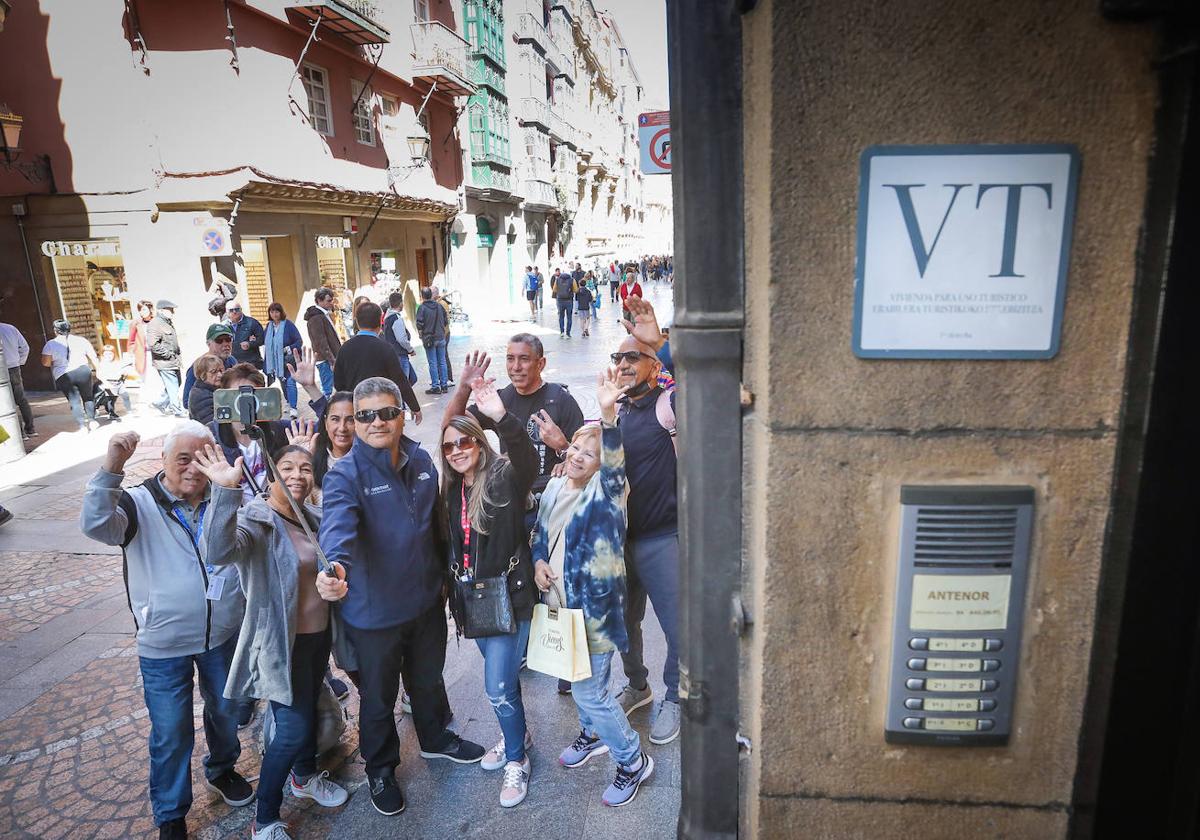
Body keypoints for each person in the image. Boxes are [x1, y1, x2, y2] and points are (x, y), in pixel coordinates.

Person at [317, 377, 485, 817]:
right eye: (366, 414)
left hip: (426, 602)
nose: (377, 422)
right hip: (375, 614)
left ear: (401, 415)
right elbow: (338, 531)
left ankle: (435, 739)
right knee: (378, 697)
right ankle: (381, 768)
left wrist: (448, 577)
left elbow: (437, 524)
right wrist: (335, 569)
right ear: (354, 421)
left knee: (428, 680)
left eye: (387, 412)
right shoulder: (344, 476)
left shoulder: (422, 459)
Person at [80, 426, 254, 840]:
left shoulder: (224, 495)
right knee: (172, 730)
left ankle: (222, 768)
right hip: (163, 644)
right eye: (183, 458)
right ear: (164, 461)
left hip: (222, 635)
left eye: (203, 457)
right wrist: (111, 468)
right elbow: (95, 525)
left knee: (228, 713)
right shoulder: (137, 503)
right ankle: (171, 813)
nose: (194, 467)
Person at [196, 442, 349, 840]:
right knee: (294, 729)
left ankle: (304, 777)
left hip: (317, 643)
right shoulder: (256, 519)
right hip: (281, 646)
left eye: (304, 468)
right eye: (287, 467)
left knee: (308, 716)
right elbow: (218, 549)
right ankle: (264, 817)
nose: (297, 476)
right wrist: (225, 492)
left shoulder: (312, 516)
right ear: (269, 472)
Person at [533, 371, 655, 806]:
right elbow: (538, 534)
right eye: (577, 451)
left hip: (596, 612)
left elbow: (614, 460)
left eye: (592, 452)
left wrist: (606, 416)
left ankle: (631, 760)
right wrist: (538, 562)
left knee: (591, 692)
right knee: (580, 683)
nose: (583, 457)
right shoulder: (553, 487)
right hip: (559, 607)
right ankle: (590, 733)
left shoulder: (609, 492)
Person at [441, 379, 540, 808]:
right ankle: (519, 733)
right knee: (504, 683)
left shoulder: (503, 476)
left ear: (481, 444)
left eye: (465, 442)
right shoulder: (450, 489)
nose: (458, 449)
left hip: (508, 595)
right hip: (473, 600)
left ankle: (517, 759)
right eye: (449, 446)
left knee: (497, 687)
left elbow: (528, 459)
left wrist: (502, 417)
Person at [611, 296, 682, 745]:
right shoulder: (617, 408)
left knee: (678, 626)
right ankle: (638, 686)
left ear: (656, 366)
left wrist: (659, 341)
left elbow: (704, 384)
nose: (621, 363)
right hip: (621, 541)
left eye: (632, 356)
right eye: (616, 357)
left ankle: (676, 696)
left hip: (664, 538)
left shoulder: (670, 402)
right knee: (624, 624)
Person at [443, 337, 584, 509]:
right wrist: (464, 388)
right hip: (515, 500)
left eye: (524, 359)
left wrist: (564, 448)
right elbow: (451, 426)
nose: (516, 367)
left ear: (540, 364)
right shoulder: (499, 401)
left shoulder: (561, 400)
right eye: (510, 359)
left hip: (555, 501)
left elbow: (590, 457)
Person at [333, 301, 423, 420]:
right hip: (381, 411)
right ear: (381, 321)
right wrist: (414, 407)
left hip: (356, 408)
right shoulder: (385, 348)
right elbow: (400, 380)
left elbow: (338, 383)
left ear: (357, 321)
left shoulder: (345, 348)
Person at [41, 318, 99, 431]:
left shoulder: (50, 344)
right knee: (88, 396)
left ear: (55, 330)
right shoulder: (81, 340)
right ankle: (92, 421)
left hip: (64, 375)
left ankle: (82, 426)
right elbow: (93, 357)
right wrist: (99, 370)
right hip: (83, 370)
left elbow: (46, 363)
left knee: (74, 401)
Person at [263, 303, 304, 417]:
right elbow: (265, 342)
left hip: (288, 361)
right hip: (276, 362)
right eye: (272, 312)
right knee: (283, 383)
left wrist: (287, 348)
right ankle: (288, 402)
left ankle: (293, 407)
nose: (274, 314)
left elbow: (298, 341)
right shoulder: (269, 327)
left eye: (277, 311)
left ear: (281, 312)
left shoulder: (288, 325)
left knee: (291, 382)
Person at [182, 324, 236, 407]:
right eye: (219, 340)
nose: (225, 344)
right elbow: (187, 402)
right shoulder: (198, 366)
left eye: (228, 339)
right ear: (208, 344)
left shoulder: (232, 361)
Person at [147, 299, 185, 416]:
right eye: (170, 310)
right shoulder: (155, 323)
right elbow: (153, 344)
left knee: (176, 383)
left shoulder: (166, 322)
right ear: (162, 310)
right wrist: (167, 354)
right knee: (172, 385)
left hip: (173, 361)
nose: (172, 312)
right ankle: (177, 410)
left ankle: (159, 403)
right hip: (164, 362)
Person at [0, 314, 35, 438]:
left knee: (6, 402)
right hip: (14, 367)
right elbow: (25, 347)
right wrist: (19, 361)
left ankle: (20, 433)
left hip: (2, 370)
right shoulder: (10, 328)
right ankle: (30, 429)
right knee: (21, 399)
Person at [305, 287, 342, 396]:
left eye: (331, 300)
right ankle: (324, 412)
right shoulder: (316, 318)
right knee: (327, 390)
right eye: (328, 301)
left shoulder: (322, 315)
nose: (331, 303)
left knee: (331, 388)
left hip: (327, 358)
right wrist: (331, 360)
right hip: (325, 359)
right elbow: (321, 342)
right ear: (319, 301)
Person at [415, 287, 450, 394]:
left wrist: (422, 334)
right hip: (440, 337)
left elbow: (419, 323)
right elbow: (446, 320)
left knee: (433, 363)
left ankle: (435, 386)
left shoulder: (422, 308)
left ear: (422, 296)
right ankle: (444, 385)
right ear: (431, 295)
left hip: (429, 339)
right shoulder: (439, 306)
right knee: (442, 362)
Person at [382, 291, 418, 387]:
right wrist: (410, 349)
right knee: (404, 384)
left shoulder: (387, 318)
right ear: (401, 303)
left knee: (412, 378)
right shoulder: (396, 318)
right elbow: (401, 338)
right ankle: (402, 401)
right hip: (400, 354)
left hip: (394, 353)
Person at [96, 345, 132, 419]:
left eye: (110, 354)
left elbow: (120, 371)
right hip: (109, 383)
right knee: (111, 400)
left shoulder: (117, 362)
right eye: (106, 354)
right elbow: (99, 374)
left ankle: (129, 411)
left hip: (119, 383)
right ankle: (111, 413)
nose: (109, 356)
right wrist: (105, 382)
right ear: (103, 355)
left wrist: (124, 372)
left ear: (114, 354)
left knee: (125, 396)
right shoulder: (102, 364)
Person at [225, 302, 265, 369]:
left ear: (241, 309)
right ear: (227, 312)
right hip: (233, 363)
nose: (234, 312)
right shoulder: (224, 326)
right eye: (231, 310)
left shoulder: (252, 322)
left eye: (237, 309)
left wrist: (250, 344)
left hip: (251, 363)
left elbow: (262, 339)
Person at [188, 354, 225, 424]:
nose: (220, 375)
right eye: (213, 372)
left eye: (221, 370)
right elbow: (211, 424)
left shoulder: (216, 389)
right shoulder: (200, 395)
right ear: (202, 374)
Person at [433, 287, 455, 386]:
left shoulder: (441, 304)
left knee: (443, 357)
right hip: (441, 333)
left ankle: (448, 378)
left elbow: (445, 320)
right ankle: (441, 377)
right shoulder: (437, 303)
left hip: (444, 334)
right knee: (440, 357)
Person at [552, 269, 579, 338]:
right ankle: (568, 333)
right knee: (569, 317)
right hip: (569, 300)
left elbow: (554, 290)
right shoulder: (572, 280)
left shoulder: (557, 279)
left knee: (561, 316)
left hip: (560, 300)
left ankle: (561, 332)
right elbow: (576, 290)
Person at [576, 274, 595, 338]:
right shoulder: (588, 291)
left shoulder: (578, 291)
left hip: (580, 307)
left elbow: (576, 299)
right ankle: (586, 328)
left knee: (581, 320)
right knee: (588, 319)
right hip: (586, 307)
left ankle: (583, 331)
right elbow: (590, 299)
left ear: (579, 284)